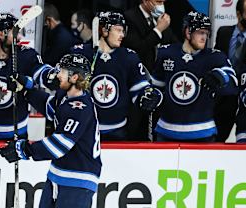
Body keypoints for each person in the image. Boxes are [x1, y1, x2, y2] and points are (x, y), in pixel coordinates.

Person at [0, 53, 103, 208]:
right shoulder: (64, 98)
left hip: (79, 177)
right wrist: (25, 88)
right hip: (58, 174)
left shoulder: (81, 107)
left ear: (75, 77)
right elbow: (47, 103)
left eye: (63, 72)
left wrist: (24, 150)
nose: (57, 75)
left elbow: (59, 145)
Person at [71, 11, 162, 140]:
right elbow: (64, 84)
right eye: (118, 30)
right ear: (104, 30)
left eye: (123, 31)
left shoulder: (129, 57)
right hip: (84, 129)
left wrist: (147, 96)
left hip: (117, 131)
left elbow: (140, 88)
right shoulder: (80, 54)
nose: (122, 35)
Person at [151, 11, 237, 142]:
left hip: (202, 133)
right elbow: (155, 86)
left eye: (206, 33)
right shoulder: (167, 52)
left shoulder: (215, 57)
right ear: (188, 32)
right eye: (200, 32)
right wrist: (151, 96)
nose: (204, 37)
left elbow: (233, 83)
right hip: (167, 131)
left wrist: (221, 77)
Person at [123, 0, 178, 141]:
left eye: (163, 1)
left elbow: (175, 47)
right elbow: (136, 50)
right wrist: (158, 30)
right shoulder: (129, 18)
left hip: (159, 86)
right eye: (157, 1)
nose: (161, 4)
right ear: (145, 1)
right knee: (136, 132)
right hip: (136, 87)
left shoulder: (162, 20)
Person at [214, 0, 246, 142]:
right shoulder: (224, 32)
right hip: (222, 99)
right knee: (216, 140)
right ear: (239, 14)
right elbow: (216, 59)